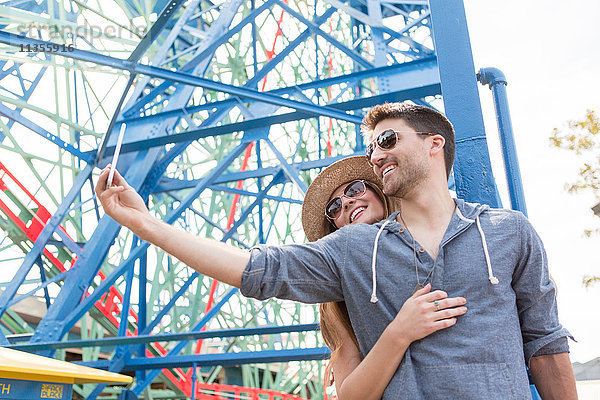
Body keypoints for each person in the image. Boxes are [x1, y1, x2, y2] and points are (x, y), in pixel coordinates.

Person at [95, 102, 576, 399]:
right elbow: (256, 269)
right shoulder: (352, 248)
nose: (377, 154)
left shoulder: (510, 232)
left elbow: (546, 347)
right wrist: (144, 222)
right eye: (371, 149)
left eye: (387, 140)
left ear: (435, 144)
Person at [300, 156, 467, 400]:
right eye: (334, 207)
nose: (346, 202)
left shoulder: (442, 239)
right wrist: (400, 332)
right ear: (334, 228)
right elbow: (350, 395)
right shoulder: (336, 304)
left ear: (378, 191)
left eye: (354, 189)